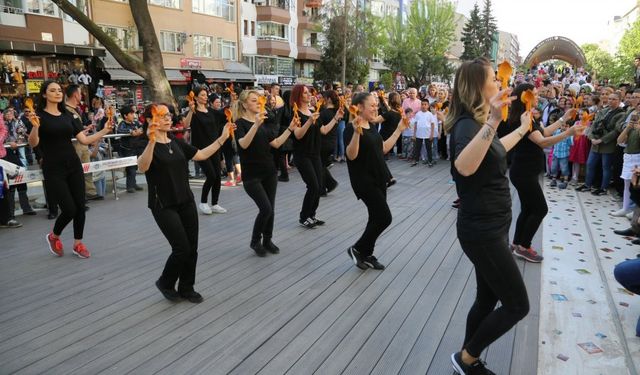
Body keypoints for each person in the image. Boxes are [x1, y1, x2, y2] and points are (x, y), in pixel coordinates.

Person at [446, 58, 532, 375]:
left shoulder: (479, 124)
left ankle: (467, 360)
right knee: (517, 305)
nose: (498, 82)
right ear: (478, 87)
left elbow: (494, 149)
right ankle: (467, 357)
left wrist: (522, 130)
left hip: (493, 226)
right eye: (492, 78)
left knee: (487, 299)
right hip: (481, 231)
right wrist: (494, 121)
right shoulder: (468, 125)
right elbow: (465, 167)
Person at [137, 103, 233, 303]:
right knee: (181, 247)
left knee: (192, 247)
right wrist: (152, 141)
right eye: (161, 115)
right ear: (149, 119)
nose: (167, 118)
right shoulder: (144, 142)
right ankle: (165, 282)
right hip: (162, 204)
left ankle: (187, 287)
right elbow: (143, 166)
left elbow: (201, 154)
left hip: (186, 200)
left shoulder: (176, 141)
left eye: (168, 115)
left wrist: (222, 138)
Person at [27, 80, 114, 259]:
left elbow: (83, 139)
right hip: (53, 167)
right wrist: (35, 127)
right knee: (69, 208)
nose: (58, 93)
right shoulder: (38, 116)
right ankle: (54, 236)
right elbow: (33, 143)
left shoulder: (68, 115)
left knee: (80, 206)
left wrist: (104, 131)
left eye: (59, 90)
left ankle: (78, 243)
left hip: (73, 164)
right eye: (53, 90)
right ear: (44, 94)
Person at [506, 83, 583, 263]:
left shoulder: (528, 117)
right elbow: (543, 142)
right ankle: (524, 246)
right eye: (533, 94)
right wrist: (568, 133)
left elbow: (544, 132)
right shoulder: (522, 118)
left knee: (528, 208)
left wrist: (563, 119)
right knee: (540, 209)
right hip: (523, 172)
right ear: (525, 97)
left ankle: (517, 243)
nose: (537, 97)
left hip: (526, 171)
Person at [344, 92, 408, 271]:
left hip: (380, 178)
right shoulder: (351, 128)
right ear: (360, 107)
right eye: (372, 105)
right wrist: (357, 133)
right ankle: (357, 248)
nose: (376, 108)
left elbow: (383, 149)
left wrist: (398, 130)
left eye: (376, 105)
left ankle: (367, 253)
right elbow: (351, 155)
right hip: (364, 181)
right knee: (384, 217)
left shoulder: (371, 126)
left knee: (375, 217)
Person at [235, 90, 301, 256]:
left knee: (271, 208)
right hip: (252, 176)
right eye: (254, 100)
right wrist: (255, 125)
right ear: (244, 105)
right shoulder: (240, 123)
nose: (258, 103)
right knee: (265, 209)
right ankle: (255, 241)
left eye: (259, 100)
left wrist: (290, 129)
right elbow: (243, 144)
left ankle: (268, 240)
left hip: (269, 172)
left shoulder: (263, 124)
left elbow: (277, 143)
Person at [184, 88, 227, 215]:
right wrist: (191, 111)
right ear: (196, 97)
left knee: (218, 176)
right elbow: (186, 125)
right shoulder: (193, 111)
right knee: (211, 175)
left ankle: (215, 203)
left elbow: (226, 116)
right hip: (200, 150)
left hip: (214, 147)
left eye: (205, 94)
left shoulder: (212, 112)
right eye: (202, 95)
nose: (205, 97)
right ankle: (203, 202)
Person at [576, 92, 626, 195]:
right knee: (590, 164)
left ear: (619, 101)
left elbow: (615, 131)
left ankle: (603, 188)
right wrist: (592, 137)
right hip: (595, 142)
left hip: (608, 144)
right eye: (610, 98)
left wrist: (602, 140)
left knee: (606, 167)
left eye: (614, 99)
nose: (610, 101)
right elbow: (594, 124)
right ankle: (587, 184)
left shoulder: (621, 114)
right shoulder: (603, 111)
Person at [290, 84, 322, 228]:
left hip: (315, 154)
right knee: (313, 185)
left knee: (319, 186)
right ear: (298, 96)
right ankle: (304, 217)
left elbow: (323, 130)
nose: (309, 95)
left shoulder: (313, 111)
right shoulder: (295, 113)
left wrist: (336, 118)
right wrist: (309, 121)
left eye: (309, 92)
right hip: (302, 155)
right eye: (305, 93)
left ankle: (312, 215)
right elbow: (298, 134)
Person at [318, 90, 344, 195]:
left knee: (320, 166)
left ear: (328, 99)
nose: (322, 100)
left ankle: (325, 187)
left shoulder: (324, 113)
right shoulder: (336, 112)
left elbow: (322, 130)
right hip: (332, 142)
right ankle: (328, 185)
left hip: (323, 143)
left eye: (324, 97)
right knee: (322, 165)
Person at [117, 105, 145, 193]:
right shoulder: (122, 124)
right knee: (130, 168)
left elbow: (143, 127)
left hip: (136, 148)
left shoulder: (135, 123)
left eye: (134, 113)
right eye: (131, 114)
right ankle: (130, 186)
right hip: (127, 150)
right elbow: (119, 131)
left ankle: (133, 184)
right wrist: (131, 132)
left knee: (135, 167)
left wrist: (140, 131)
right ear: (125, 116)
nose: (134, 115)